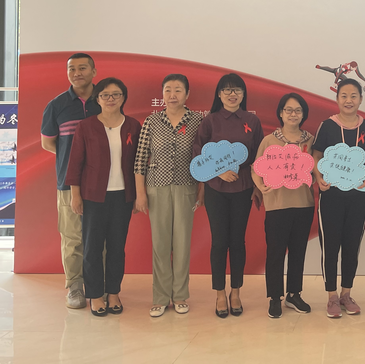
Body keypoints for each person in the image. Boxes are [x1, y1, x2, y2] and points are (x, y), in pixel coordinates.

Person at [64, 77, 141, 317]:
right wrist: (76, 195)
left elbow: (139, 163)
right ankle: (96, 295)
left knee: (117, 247)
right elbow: (75, 162)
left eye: (116, 94)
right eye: (105, 95)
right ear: (97, 99)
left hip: (123, 196)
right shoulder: (86, 126)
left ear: (123, 98)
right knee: (92, 248)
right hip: (93, 196)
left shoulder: (133, 125)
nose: (110, 99)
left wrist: (138, 195)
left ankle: (113, 292)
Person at [193, 73, 264, 318]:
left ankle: (236, 291)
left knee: (237, 241)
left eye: (237, 90)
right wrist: (218, 171)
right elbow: (198, 154)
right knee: (219, 242)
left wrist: (257, 185)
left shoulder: (252, 121)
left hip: (243, 187)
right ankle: (219, 293)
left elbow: (259, 156)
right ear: (219, 94)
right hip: (216, 188)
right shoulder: (210, 121)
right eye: (227, 90)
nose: (232, 94)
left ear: (243, 94)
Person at [134, 74, 203, 317]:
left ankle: (180, 295)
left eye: (178, 90)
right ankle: (161, 297)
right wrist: (140, 193)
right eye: (168, 90)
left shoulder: (198, 120)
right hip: (157, 188)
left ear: (187, 94)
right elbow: (140, 159)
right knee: (160, 244)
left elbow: (204, 158)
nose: (172, 95)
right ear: (162, 94)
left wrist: (202, 190)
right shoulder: (152, 121)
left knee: (182, 243)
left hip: (186, 187)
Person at [312, 79, 365, 318]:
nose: (348, 100)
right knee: (330, 246)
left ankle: (346, 294)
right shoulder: (327, 126)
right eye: (344, 96)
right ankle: (331, 296)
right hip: (331, 195)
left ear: (360, 99)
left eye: (353, 96)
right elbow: (315, 155)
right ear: (337, 98)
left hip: (358, 196)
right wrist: (319, 178)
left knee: (352, 245)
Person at [41, 52, 100, 309]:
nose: (77, 73)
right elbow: (48, 143)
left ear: (94, 71)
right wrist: (76, 160)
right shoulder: (57, 105)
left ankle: (98, 284)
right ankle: (75, 286)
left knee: (99, 236)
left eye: (82, 68)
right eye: (72, 69)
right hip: (67, 183)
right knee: (72, 237)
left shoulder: (105, 100)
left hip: (102, 183)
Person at [252, 93, 315, 319]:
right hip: (277, 205)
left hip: (304, 204)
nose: (293, 114)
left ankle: (294, 294)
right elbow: (256, 168)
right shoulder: (269, 141)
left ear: (303, 114)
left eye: (298, 110)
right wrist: (260, 185)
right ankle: (275, 297)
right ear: (281, 113)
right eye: (288, 110)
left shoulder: (310, 140)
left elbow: (318, 167)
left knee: (298, 251)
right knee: (276, 252)